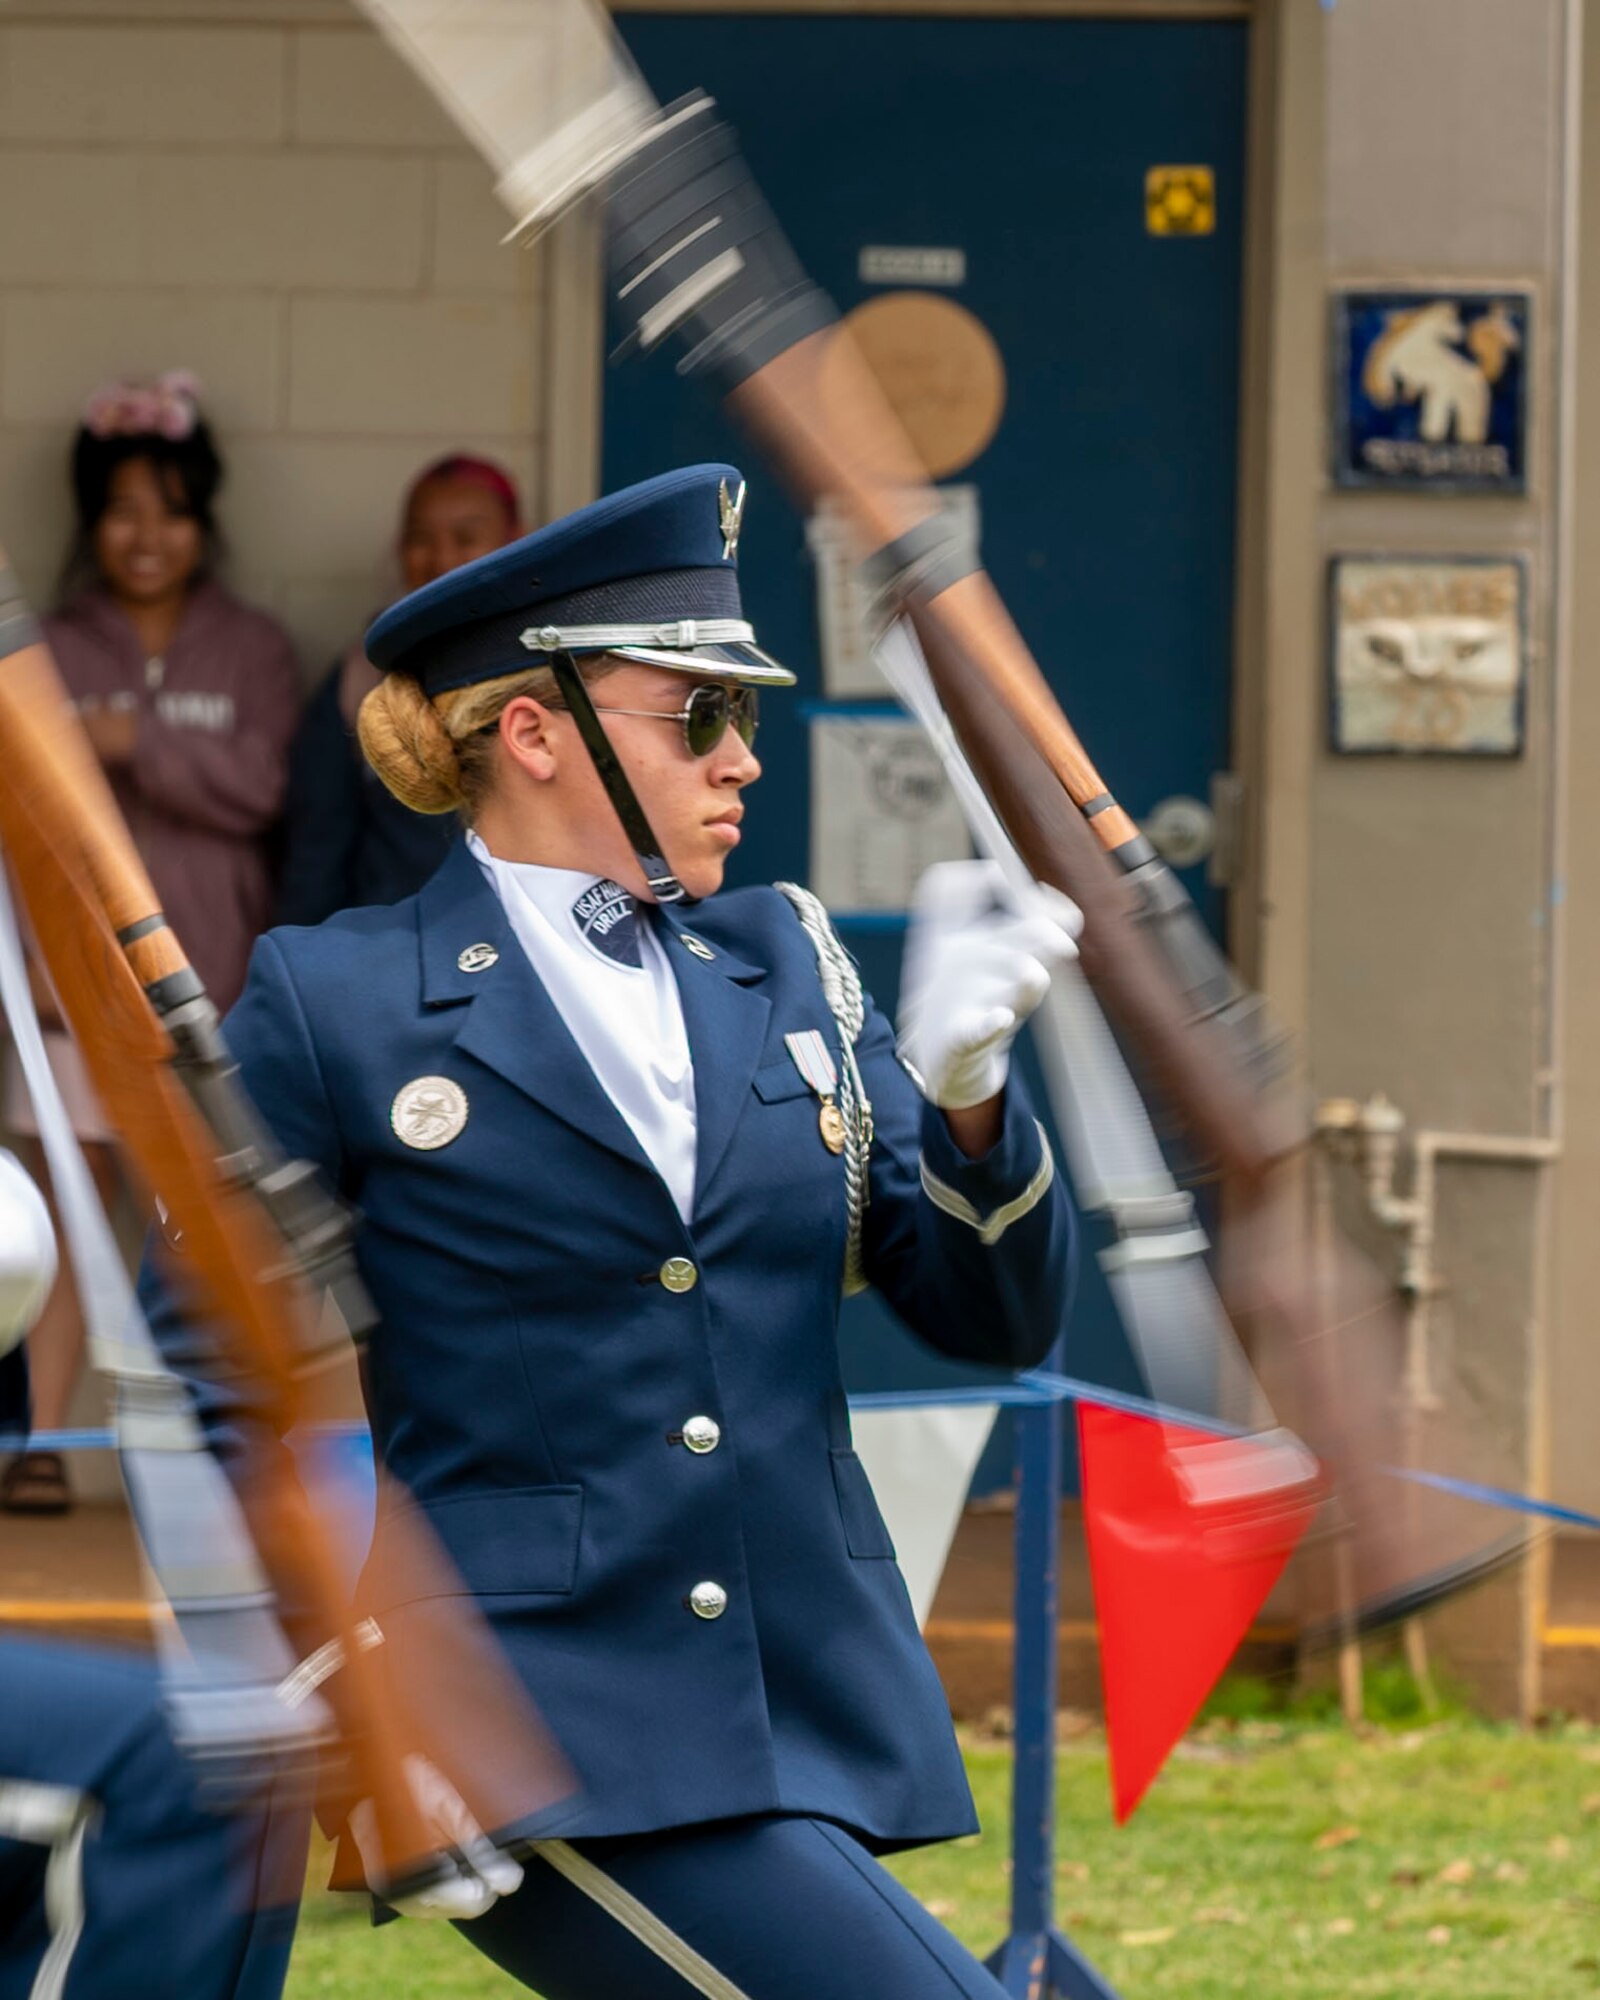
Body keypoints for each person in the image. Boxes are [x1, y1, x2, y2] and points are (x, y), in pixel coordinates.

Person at [146, 465, 1080, 1998]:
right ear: (535, 728)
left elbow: (989, 1318)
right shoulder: (341, 1001)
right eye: (699, 716)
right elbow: (206, 1374)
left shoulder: (784, 959)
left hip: (798, 1695)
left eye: (749, 719)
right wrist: (352, 1693)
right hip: (527, 1720)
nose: (744, 764)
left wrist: (972, 1102)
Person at [0, 371, 302, 1515]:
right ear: (90, 519)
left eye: (169, 509)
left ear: (203, 520)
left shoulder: (255, 645)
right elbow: (24, 819)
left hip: (210, 990)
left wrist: (135, 740)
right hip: (68, 987)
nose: (145, 534)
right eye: (123, 509)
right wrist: (27, 974)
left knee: (205, 1227)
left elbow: (265, 784)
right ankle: (27, 1441)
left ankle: (250, 1461)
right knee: (60, 1229)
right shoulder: (50, 647)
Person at [276, 453, 524, 927]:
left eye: (467, 537)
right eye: (420, 538)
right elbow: (318, 851)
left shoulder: (555, 672)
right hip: (398, 957)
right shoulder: (363, 678)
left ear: (516, 539)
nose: (442, 558)